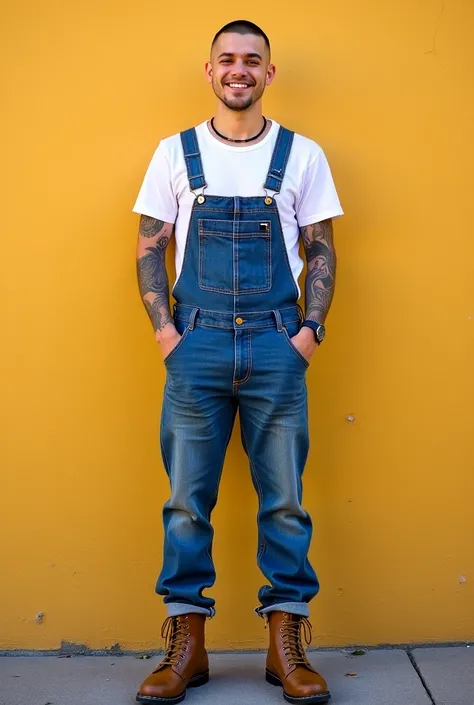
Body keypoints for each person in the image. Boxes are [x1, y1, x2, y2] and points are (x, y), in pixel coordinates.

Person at [132, 19, 343, 705]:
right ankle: (186, 644)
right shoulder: (175, 152)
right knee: (186, 502)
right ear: (210, 70)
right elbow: (148, 248)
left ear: (269, 73)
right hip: (196, 346)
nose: (240, 70)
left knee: (284, 500)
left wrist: (308, 332)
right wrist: (169, 335)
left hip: (279, 346)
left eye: (253, 60)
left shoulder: (302, 155)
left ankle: (285, 644)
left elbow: (322, 250)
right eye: (228, 59)